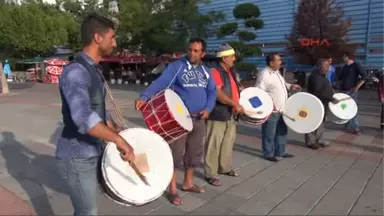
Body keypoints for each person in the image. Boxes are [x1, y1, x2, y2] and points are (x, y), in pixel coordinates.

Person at [56, 14, 135, 215]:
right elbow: (83, 118)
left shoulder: (93, 70)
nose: (115, 43)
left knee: (86, 211)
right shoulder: (76, 71)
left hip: (91, 152)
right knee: (87, 212)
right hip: (76, 155)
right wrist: (118, 140)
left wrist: (119, 130)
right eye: (112, 37)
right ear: (98, 38)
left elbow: (98, 110)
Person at [135, 37, 217, 205]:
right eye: (190, 50)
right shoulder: (177, 67)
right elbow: (161, 83)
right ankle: (172, 189)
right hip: (179, 119)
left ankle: (188, 183)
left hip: (199, 119)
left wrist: (208, 109)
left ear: (203, 53)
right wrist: (144, 96)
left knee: (194, 154)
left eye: (196, 51)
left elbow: (212, 92)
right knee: (175, 155)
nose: (192, 53)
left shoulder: (206, 71)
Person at [204, 44, 243, 187]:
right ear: (224, 58)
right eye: (232, 56)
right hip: (218, 113)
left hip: (230, 114)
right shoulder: (215, 71)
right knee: (213, 144)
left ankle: (224, 167)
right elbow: (218, 94)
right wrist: (234, 104)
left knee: (227, 143)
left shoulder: (230, 71)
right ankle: (210, 173)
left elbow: (233, 89)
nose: (234, 58)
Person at [255, 53, 301, 162]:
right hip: (272, 110)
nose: (281, 62)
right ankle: (268, 153)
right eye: (278, 60)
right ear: (271, 63)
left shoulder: (276, 73)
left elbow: (282, 84)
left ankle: (281, 151)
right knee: (269, 133)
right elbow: (258, 93)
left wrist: (291, 86)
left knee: (281, 131)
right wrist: (268, 105)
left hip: (283, 109)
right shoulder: (264, 75)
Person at [305, 58, 339, 149]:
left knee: (321, 122)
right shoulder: (315, 76)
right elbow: (318, 92)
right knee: (312, 122)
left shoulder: (321, 75)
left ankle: (319, 140)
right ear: (320, 67)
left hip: (323, 103)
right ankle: (310, 142)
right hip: (315, 104)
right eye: (327, 66)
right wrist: (331, 98)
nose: (329, 69)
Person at [338, 52, 368, 135]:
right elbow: (340, 77)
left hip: (351, 92)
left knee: (353, 109)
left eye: (343, 56)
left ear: (347, 56)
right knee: (344, 109)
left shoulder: (356, 65)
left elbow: (365, 76)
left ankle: (356, 127)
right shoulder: (344, 67)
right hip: (343, 91)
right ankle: (347, 126)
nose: (342, 58)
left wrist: (356, 87)